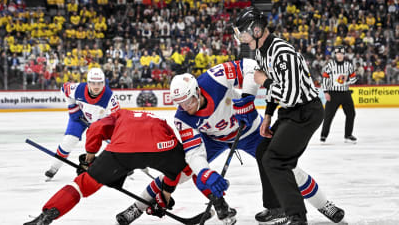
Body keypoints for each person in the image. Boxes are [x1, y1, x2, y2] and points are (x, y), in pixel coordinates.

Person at [119, 59, 344, 225]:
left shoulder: (213, 77)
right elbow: (193, 152)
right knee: (177, 171)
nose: (186, 107)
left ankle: (324, 205)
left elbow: (250, 66)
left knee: (284, 167)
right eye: (180, 103)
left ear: (196, 90)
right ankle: (137, 207)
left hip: (249, 130)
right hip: (213, 139)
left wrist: (247, 97)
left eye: (188, 100)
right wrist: (206, 173)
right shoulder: (182, 118)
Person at [233, 7, 344, 224]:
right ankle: (277, 208)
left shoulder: (282, 52)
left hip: (305, 112)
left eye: (244, 33)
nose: (243, 39)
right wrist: (267, 116)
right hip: (291, 111)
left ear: (256, 30)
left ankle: (296, 216)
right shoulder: (261, 52)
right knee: (263, 150)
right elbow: (277, 92)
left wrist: (263, 81)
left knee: (276, 161)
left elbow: (289, 95)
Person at [24, 109, 203, 225]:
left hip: (121, 152)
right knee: (180, 168)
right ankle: (162, 200)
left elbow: (95, 129)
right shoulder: (160, 119)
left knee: (82, 185)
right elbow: (174, 164)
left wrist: (89, 159)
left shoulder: (120, 115)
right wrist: (163, 198)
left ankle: (49, 213)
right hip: (159, 148)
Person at [44, 68, 120, 180]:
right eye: (93, 83)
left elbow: (117, 117)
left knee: (115, 143)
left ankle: (121, 167)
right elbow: (64, 89)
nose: (96, 86)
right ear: (88, 83)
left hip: (98, 122)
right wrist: (73, 108)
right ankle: (54, 167)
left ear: (103, 83)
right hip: (79, 118)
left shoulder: (109, 97)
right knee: (69, 141)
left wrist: (103, 125)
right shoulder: (78, 89)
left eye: (99, 83)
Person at [320, 46, 358, 143]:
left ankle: (348, 135)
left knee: (351, 114)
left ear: (344, 55)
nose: (339, 55)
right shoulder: (330, 65)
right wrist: (325, 92)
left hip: (345, 93)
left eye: (341, 54)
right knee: (328, 116)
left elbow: (354, 78)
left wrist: (348, 79)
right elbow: (325, 79)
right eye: (338, 54)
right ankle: (323, 135)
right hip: (333, 94)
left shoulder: (349, 65)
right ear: (335, 55)